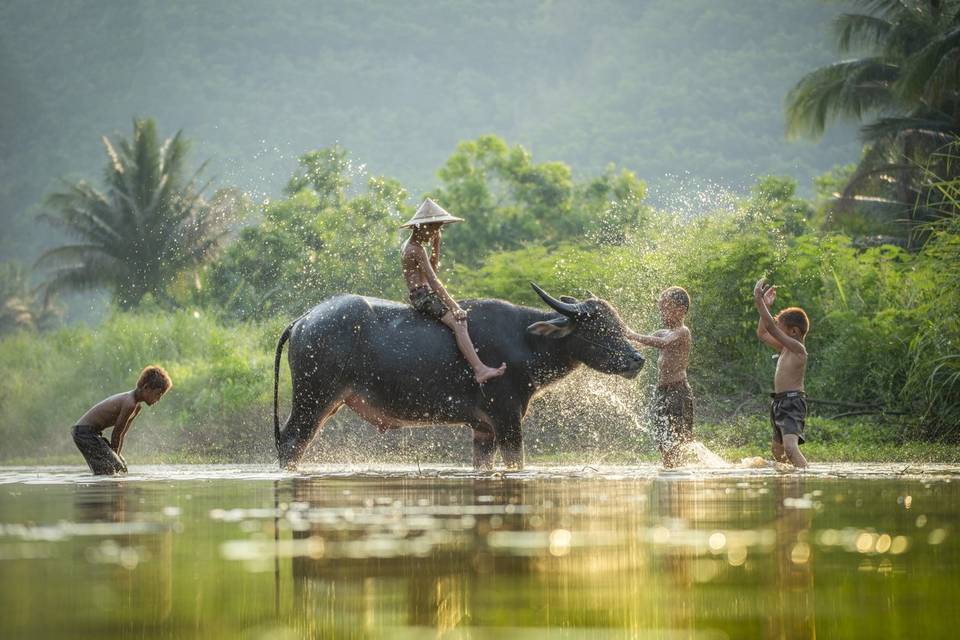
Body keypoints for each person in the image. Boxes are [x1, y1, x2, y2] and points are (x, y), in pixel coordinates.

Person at [401, 198, 506, 384]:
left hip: (421, 294)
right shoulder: (416, 250)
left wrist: (436, 245)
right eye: (434, 229)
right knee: (460, 323)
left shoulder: (411, 245)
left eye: (438, 230)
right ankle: (480, 369)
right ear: (421, 227)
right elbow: (434, 281)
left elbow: (432, 270)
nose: (435, 233)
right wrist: (455, 307)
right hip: (423, 298)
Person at [627, 286, 693, 467]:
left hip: (678, 391)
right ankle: (669, 468)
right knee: (662, 436)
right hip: (662, 391)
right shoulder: (662, 332)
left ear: (681, 310)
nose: (662, 313)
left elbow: (662, 344)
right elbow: (640, 343)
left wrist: (633, 334)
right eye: (660, 309)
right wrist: (624, 336)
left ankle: (677, 471)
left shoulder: (682, 332)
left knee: (677, 438)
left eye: (666, 308)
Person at [71, 365, 172, 475]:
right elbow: (116, 433)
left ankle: (107, 486)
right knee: (110, 468)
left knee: (118, 465)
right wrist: (115, 458)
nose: (158, 399)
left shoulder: (136, 407)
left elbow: (122, 434)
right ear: (146, 387)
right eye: (158, 394)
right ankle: (100, 489)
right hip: (84, 433)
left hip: (90, 433)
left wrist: (116, 456)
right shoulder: (129, 403)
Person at [754, 277, 809, 468]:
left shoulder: (797, 349)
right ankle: (788, 483)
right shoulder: (785, 348)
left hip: (793, 402)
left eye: (781, 329)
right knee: (778, 452)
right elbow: (763, 332)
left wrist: (759, 301)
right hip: (779, 402)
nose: (777, 331)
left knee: (790, 449)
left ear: (793, 332)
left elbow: (770, 328)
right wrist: (766, 307)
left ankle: (805, 477)